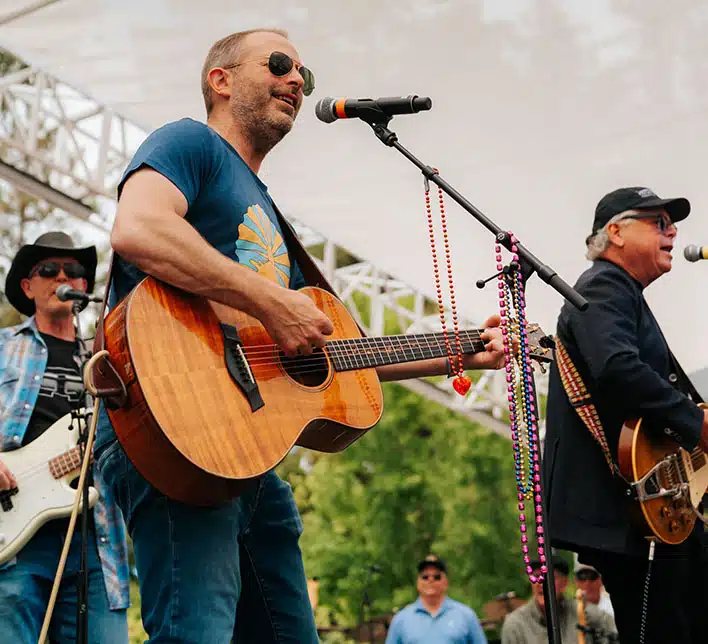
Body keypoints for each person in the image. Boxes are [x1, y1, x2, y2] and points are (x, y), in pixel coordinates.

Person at [93, 28, 508, 644]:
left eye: (304, 76)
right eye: (281, 64)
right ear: (221, 80)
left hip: (249, 457)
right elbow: (139, 228)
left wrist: (454, 351)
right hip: (176, 424)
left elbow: (332, 357)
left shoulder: (264, 208)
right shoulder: (189, 143)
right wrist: (271, 300)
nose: (296, 80)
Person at [543, 186, 708, 644]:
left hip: (660, 508)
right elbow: (618, 369)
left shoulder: (622, 293)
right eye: (658, 223)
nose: (673, 232)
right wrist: (699, 423)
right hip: (632, 510)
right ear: (615, 232)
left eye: (672, 224)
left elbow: (659, 412)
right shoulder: (603, 284)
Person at [0, 232, 130, 643]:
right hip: (14, 539)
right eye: (49, 270)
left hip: (96, 538)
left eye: (74, 271)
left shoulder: (108, 362)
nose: (63, 277)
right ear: (28, 285)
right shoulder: (4, 347)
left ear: (86, 288)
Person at [501, 559, 616, 644]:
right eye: (536, 577)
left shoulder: (587, 614)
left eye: (549, 577)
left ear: (564, 583)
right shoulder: (515, 625)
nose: (541, 584)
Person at [385, 555, 487, 644]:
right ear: (418, 583)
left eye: (437, 577)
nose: (431, 580)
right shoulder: (401, 620)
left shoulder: (466, 615)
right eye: (425, 577)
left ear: (445, 582)